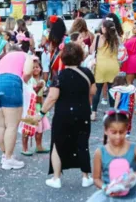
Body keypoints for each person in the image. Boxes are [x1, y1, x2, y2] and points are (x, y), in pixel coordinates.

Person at [38, 42, 97, 189]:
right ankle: (85, 177)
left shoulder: (60, 76)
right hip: (83, 112)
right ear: (80, 57)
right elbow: (93, 92)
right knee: (82, 143)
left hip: (63, 114)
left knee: (58, 144)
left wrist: (41, 113)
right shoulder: (87, 73)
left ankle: (56, 178)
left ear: (63, 58)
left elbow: (52, 97)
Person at [87, 112, 136, 202]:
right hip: (108, 199)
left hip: (130, 199)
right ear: (106, 130)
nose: (118, 136)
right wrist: (105, 188)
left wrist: (134, 176)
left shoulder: (135, 149)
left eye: (122, 132)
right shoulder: (100, 152)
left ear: (127, 129)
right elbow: (96, 178)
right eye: (114, 132)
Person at [0, 45, 34, 169]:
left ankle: (5, 155)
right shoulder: (25, 55)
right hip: (11, 83)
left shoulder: (5, 57)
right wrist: (23, 81)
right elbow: (28, 72)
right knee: (12, 125)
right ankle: (8, 158)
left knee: (0, 124)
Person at [91, 20, 120, 120]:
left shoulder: (98, 37)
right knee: (112, 90)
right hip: (113, 66)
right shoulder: (116, 38)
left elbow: (91, 50)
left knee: (97, 90)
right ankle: (112, 111)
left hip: (101, 66)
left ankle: (93, 113)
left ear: (104, 28)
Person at [22, 60, 50, 156]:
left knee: (40, 129)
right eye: (33, 67)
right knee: (27, 128)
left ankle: (39, 146)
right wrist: (37, 88)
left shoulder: (42, 80)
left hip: (39, 107)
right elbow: (32, 92)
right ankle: (24, 148)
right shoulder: (29, 80)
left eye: (37, 67)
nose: (35, 69)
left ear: (41, 68)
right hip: (31, 108)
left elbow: (42, 95)